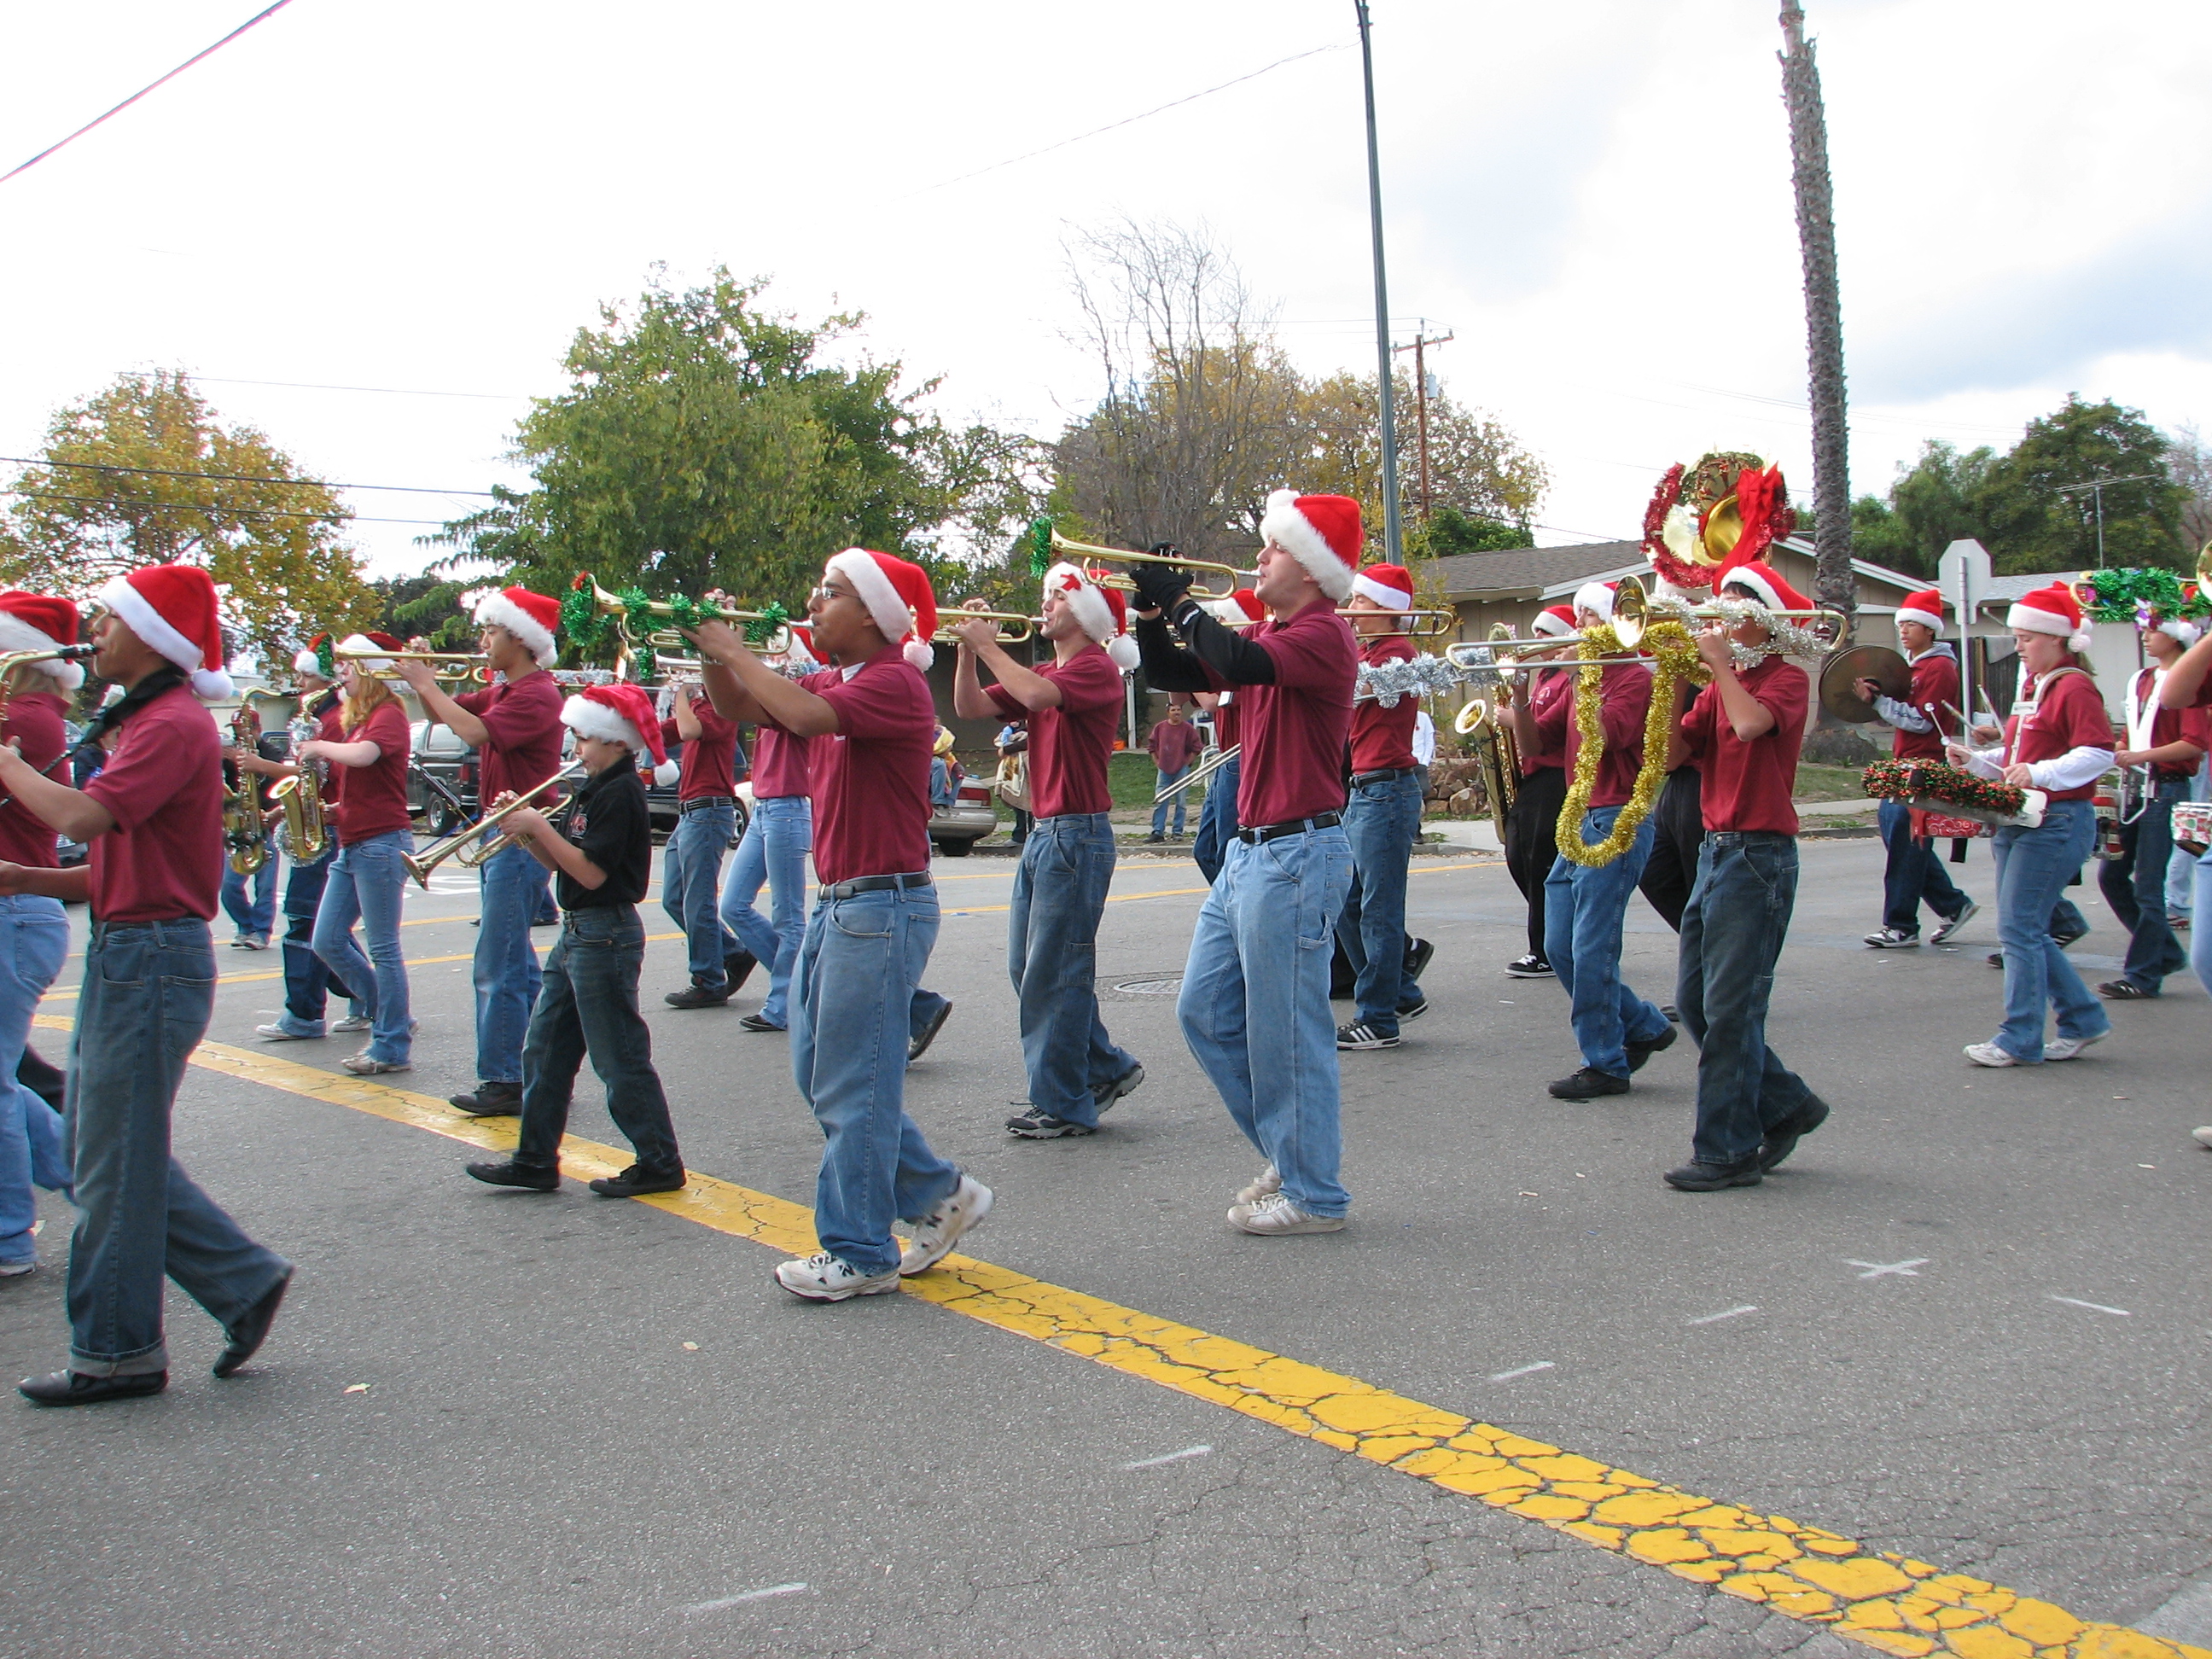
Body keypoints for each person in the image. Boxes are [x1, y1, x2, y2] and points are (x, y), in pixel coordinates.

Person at [0, 562, 291, 1405]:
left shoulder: (169, 725)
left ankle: (117, 1352)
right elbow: (114, 868)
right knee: (104, 1156)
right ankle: (241, 1281)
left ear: (151, 637)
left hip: (151, 959)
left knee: (111, 1165)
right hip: (132, 951)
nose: (92, 633)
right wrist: (22, 879)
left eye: (107, 620)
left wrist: (10, 767)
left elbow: (84, 818)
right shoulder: (147, 724)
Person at [686, 547, 992, 1301]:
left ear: (877, 615)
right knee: (822, 1075)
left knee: (854, 1085)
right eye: (818, 588)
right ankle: (939, 1193)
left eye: (832, 592)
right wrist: (714, 655)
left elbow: (800, 713)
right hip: (843, 903)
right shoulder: (838, 677)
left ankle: (860, 1250)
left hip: (881, 906)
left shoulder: (894, 684)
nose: (814, 603)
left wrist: (731, 646)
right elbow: (739, 709)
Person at [1131, 490, 1361, 1237]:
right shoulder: (1274, 634)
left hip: (1297, 852)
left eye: (1275, 546)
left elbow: (1228, 656)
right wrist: (1150, 612)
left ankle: (1315, 1192)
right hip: (1250, 855)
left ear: (1314, 568)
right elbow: (1175, 671)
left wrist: (1182, 601)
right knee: (1202, 1011)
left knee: (1289, 1031)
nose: (1259, 556)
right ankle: (1294, 1156)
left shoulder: (1323, 635)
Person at [466, 684, 688, 1198]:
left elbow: (590, 874)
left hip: (604, 933)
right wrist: (525, 833)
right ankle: (535, 1159)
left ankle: (659, 1161)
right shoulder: (591, 787)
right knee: (544, 1050)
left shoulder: (621, 792)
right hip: (578, 932)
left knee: (618, 1057)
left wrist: (539, 830)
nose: (574, 747)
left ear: (613, 740)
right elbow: (562, 862)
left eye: (582, 737)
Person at [951, 564, 1144, 1139]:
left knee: (1053, 974)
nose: (1045, 606)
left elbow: (1036, 694)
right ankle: (1106, 1066)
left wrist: (988, 645)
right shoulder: (1041, 670)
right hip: (1046, 833)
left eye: (1056, 597)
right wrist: (966, 650)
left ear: (1084, 612)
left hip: (1078, 834)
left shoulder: (1096, 669)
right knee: (1028, 968)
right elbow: (968, 709)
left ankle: (1064, 1102)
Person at [1662, 564, 1830, 1190]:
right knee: (1695, 1003)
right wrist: (1679, 679)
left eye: (1738, 602)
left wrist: (1719, 668)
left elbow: (1752, 725)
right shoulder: (1719, 682)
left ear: (1767, 618)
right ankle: (1786, 1102)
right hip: (1715, 849)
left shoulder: (1784, 678)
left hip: (1759, 853)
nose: (1724, 611)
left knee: (1731, 1009)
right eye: (1722, 600)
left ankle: (1725, 1151)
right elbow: (1678, 755)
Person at [398, 586, 566, 1117]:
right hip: (501, 836)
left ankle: (503, 1078)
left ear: (520, 637)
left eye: (491, 630)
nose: (483, 640)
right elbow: (447, 714)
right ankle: (534, 1067)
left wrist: (427, 680)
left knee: (498, 963)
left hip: (518, 839)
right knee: (514, 960)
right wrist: (420, 677)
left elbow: (471, 730)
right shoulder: (504, 689)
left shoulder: (537, 694)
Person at [1948, 583, 2115, 1067]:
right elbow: (2021, 756)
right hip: (2024, 818)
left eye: (2027, 638)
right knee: (2027, 930)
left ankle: (2019, 1038)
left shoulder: (2073, 686)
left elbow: (2098, 752)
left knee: (2019, 929)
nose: (2018, 646)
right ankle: (2082, 1018)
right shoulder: (2034, 687)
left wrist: (2038, 773)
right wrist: (1979, 761)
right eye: (2018, 637)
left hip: (2056, 819)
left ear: (2058, 639)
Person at [1535, 581, 1676, 1099]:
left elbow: (1609, 735)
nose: (1584, 629)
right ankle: (1643, 1024)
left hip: (1617, 815)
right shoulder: (1582, 680)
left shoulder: (1633, 678)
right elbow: (1539, 741)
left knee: (1592, 949)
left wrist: (1579, 674)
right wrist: (1512, 696)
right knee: (1558, 946)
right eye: (1582, 620)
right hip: (1578, 818)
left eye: (1592, 619)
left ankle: (1606, 1062)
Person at [0, 595, 85, 1278]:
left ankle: (8, 1238)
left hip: (15, 908)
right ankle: (78, 1177)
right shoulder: (31, 714)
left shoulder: (24, 718)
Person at [305, 636, 416, 1076]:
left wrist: (318, 747)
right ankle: (390, 1013)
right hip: (355, 843)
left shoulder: (388, 715)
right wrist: (331, 811)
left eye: (349, 665)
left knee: (384, 946)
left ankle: (391, 1044)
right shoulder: (360, 718)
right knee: (327, 939)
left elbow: (366, 756)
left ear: (370, 669)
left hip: (382, 843)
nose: (341, 673)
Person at [245, 646, 364, 1042]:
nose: (298, 684)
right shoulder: (320, 717)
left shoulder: (333, 719)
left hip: (325, 831)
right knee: (323, 929)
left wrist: (261, 767)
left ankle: (305, 1014)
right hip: (317, 826)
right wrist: (277, 814)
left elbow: (315, 774)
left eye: (304, 676)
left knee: (304, 922)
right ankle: (368, 999)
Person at [1335, 562, 1429, 1051]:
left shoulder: (1398, 652)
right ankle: (1402, 993)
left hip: (1387, 790)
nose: (1351, 609)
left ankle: (1379, 1017)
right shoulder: (1369, 649)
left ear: (1389, 611)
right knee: (1348, 903)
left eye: (1362, 602)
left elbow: (1351, 689)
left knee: (1378, 910)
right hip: (1366, 788)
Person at [2094, 613, 2207, 1000]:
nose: (2145, 636)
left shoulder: (2188, 682)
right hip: (2135, 787)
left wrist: (2142, 754)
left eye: (2154, 630)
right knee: (2111, 876)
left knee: (2147, 886)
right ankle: (2164, 952)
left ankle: (2143, 975)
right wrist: (2124, 748)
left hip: (2167, 787)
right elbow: (2132, 727)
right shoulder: (2141, 680)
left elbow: (2194, 743)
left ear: (2176, 637)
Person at [1857, 590, 1976, 949]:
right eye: (1902, 624)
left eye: (1912, 624)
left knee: (1906, 846)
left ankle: (1901, 925)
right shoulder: (1916, 667)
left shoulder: (1938, 668)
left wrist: (1879, 702)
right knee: (1906, 845)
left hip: (1921, 766)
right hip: (1904, 764)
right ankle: (1954, 906)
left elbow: (1922, 722)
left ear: (1930, 630)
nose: (1904, 630)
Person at [719, 629, 819, 1036]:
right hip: (763, 809)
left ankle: (782, 1004)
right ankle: (799, 985)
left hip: (790, 809)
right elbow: (732, 700)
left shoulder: (796, 703)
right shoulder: (769, 699)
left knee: (788, 916)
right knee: (732, 907)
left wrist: (737, 654)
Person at [658, 676, 756, 1009]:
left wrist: (681, 694)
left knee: (697, 901)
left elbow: (688, 731)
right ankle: (732, 953)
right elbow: (661, 734)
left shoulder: (722, 708)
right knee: (674, 897)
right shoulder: (699, 706)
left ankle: (708, 980)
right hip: (688, 813)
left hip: (708, 811)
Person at [1501, 603, 1575, 977]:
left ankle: (1544, 947)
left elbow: (1549, 733)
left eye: (1547, 632)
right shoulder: (1544, 676)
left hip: (1556, 777)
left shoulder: (1569, 677)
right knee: (1519, 856)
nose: (1538, 639)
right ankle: (1557, 936)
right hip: (1534, 776)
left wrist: (1511, 718)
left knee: (1540, 861)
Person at [1190, 590, 1265, 882]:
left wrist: (1194, 664)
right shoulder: (1221, 662)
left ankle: (1234, 913)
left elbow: (1211, 702)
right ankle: (1228, 910)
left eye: (1223, 617)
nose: (1217, 621)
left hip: (1241, 759)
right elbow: (1176, 699)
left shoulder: (1246, 662)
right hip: (1225, 759)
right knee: (1205, 850)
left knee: (1227, 849)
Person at [218, 708, 280, 950]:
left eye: (243, 731)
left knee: (265, 885)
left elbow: (275, 774)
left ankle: (262, 932)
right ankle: (246, 926)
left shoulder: (270, 752)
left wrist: (244, 760)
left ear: (257, 730)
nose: (238, 736)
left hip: (264, 821)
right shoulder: (230, 755)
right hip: (239, 825)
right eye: (235, 731)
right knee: (229, 885)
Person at [1145, 700, 1203, 841]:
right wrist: (1157, 762)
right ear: (1168, 713)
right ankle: (1157, 832)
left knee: (1181, 802)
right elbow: (1152, 746)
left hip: (1181, 770)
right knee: (1161, 800)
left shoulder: (1187, 729)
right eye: (1173, 710)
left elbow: (1197, 747)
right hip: (1164, 768)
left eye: (1178, 710)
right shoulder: (1160, 728)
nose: (1176, 712)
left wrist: (1186, 763)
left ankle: (1177, 832)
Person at [993, 720, 1032, 847]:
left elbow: (1029, 741)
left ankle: (1028, 835)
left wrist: (1006, 749)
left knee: (1030, 805)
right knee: (1019, 805)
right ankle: (1020, 835)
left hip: (1030, 771)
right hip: (1016, 772)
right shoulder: (1013, 729)